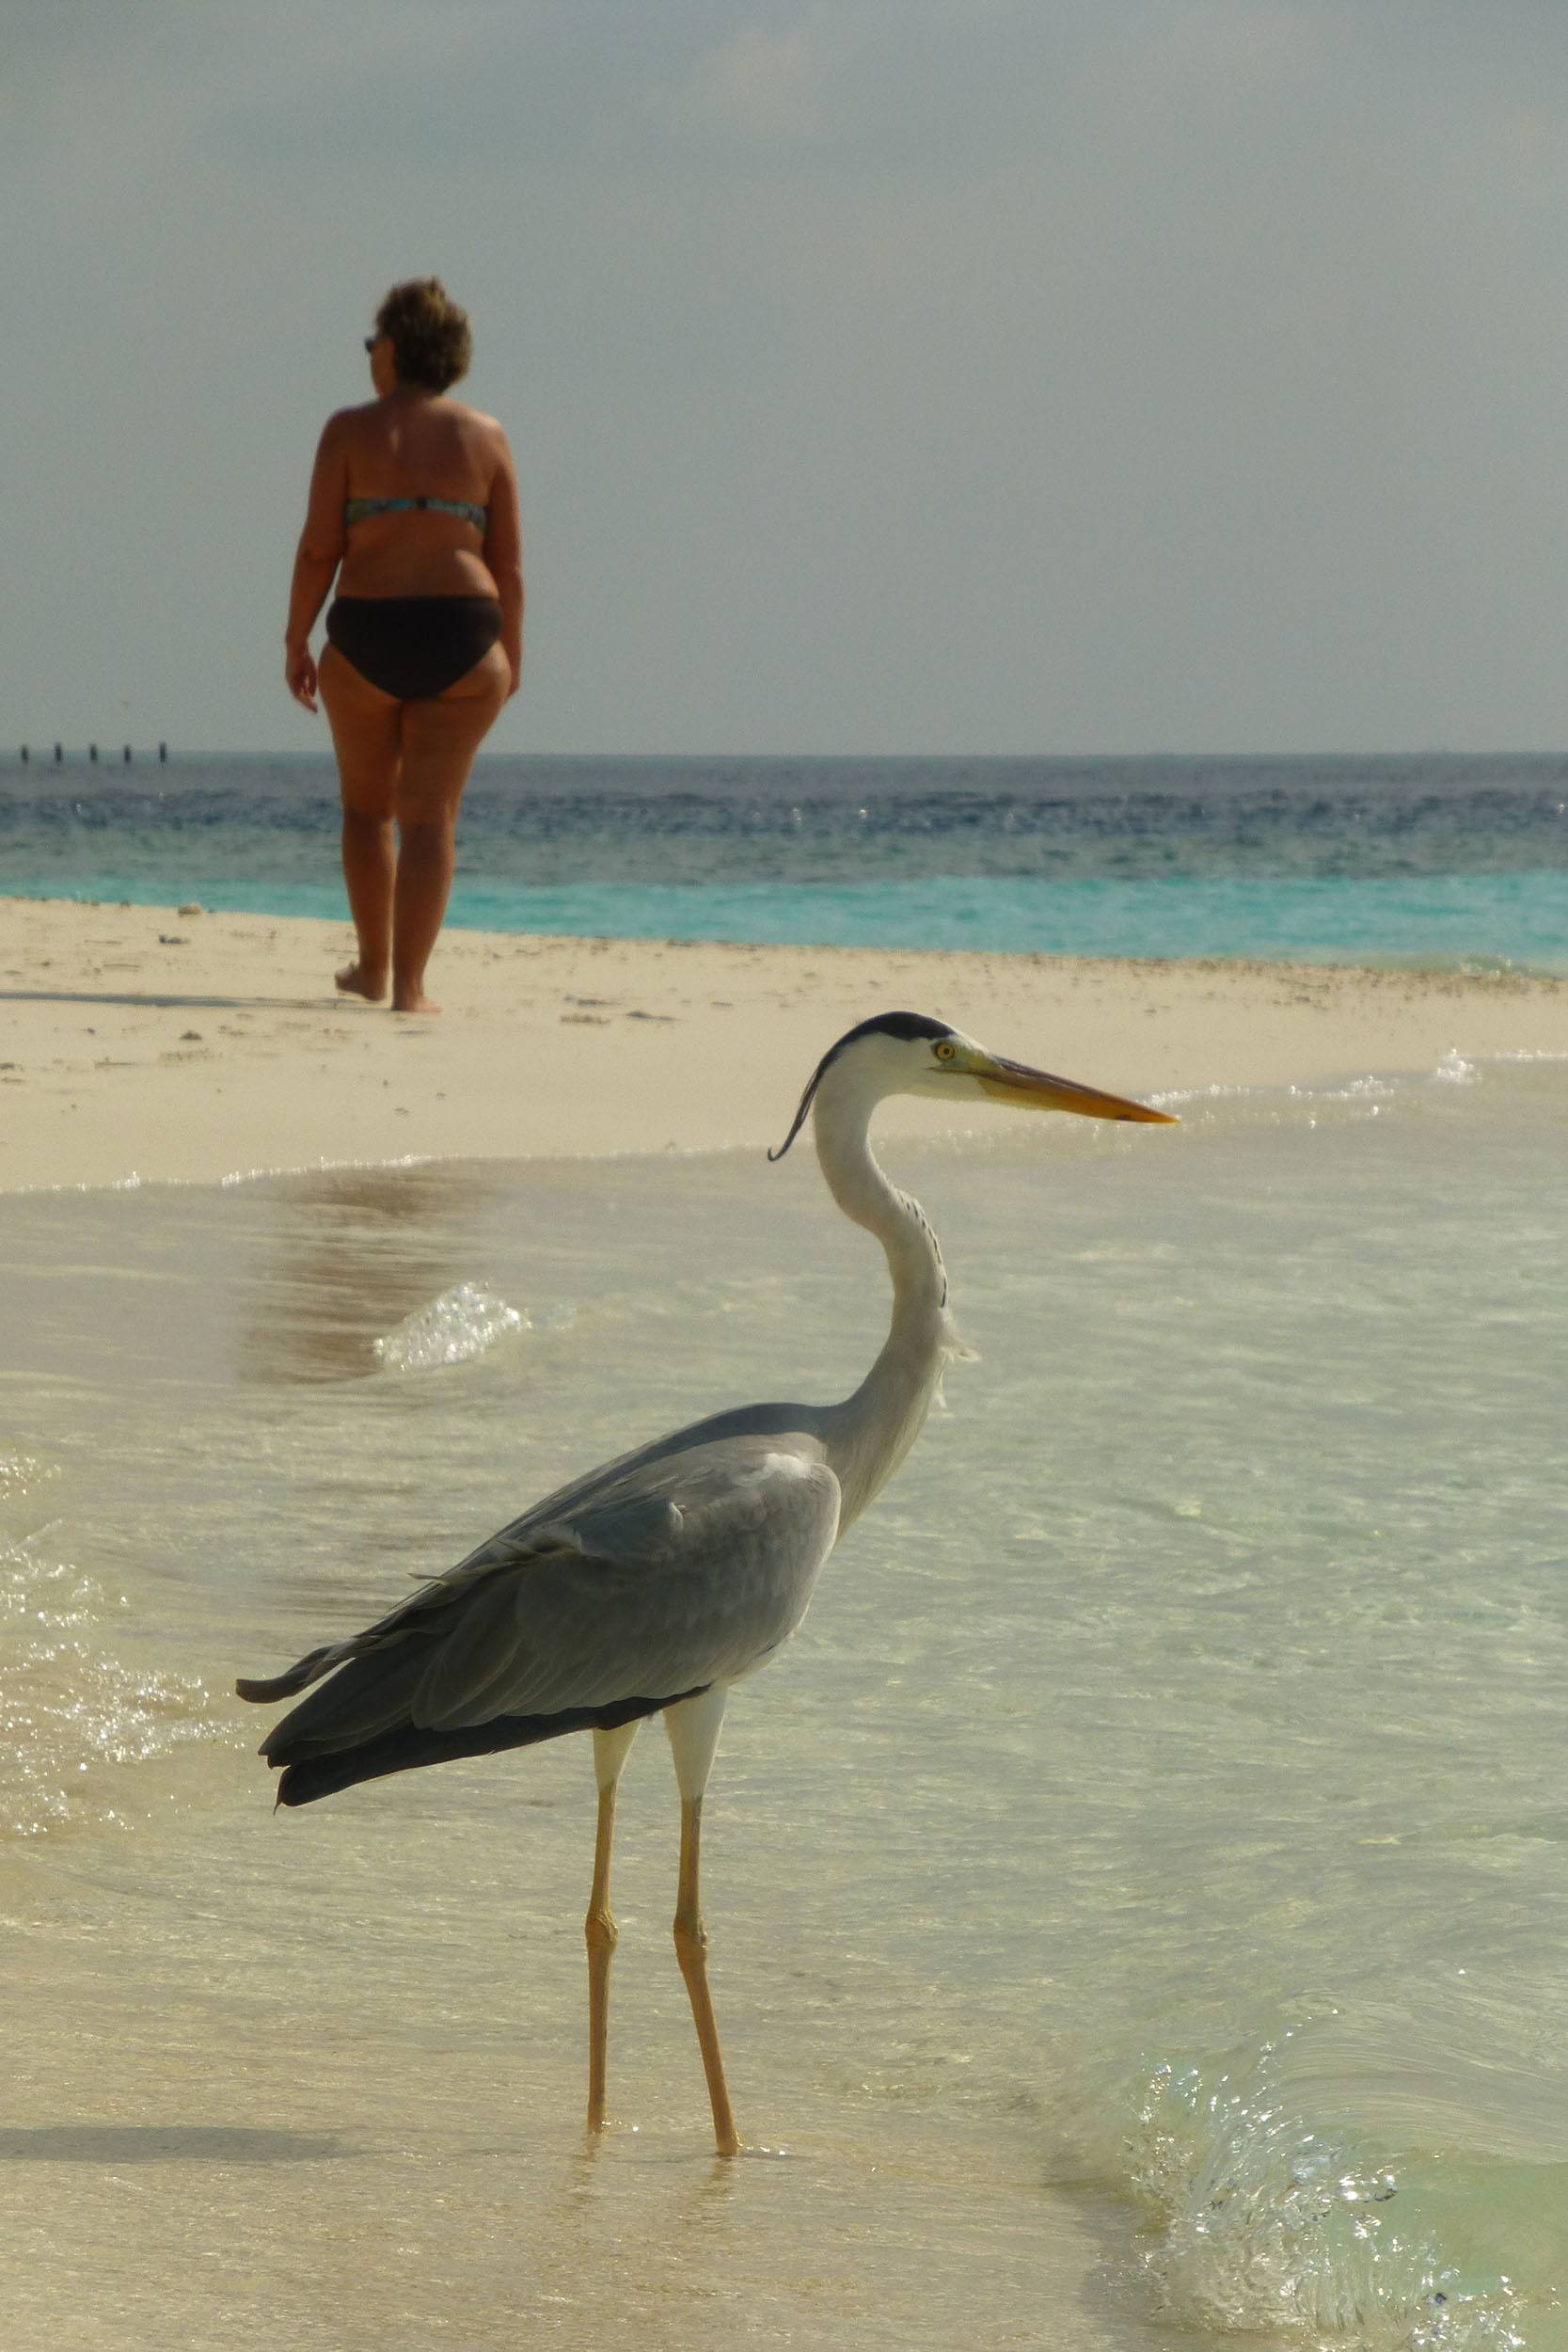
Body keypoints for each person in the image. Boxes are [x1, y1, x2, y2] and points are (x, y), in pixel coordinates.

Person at [284, 279, 523, 1013]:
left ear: (391, 348)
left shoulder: (348, 432)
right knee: (429, 815)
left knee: (366, 812)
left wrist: (296, 637)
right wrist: (510, 655)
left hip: (368, 630)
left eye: (371, 344)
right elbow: (507, 561)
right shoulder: (485, 435)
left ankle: (374, 969)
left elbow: (321, 547)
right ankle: (411, 991)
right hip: (463, 632)